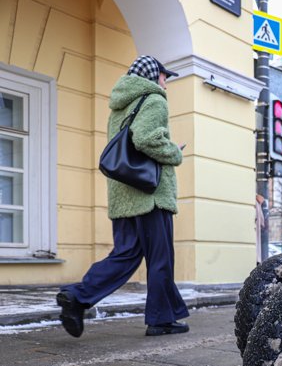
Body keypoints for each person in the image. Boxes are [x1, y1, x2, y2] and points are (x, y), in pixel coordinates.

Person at [57, 55, 189, 338]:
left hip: (123, 194)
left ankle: (77, 297)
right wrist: (174, 152)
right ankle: (161, 319)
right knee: (160, 259)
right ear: (153, 76)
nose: (166, 84)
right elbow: (146, 139)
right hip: (150, 195)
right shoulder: (154, 100)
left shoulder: (119, 105)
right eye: (165, 77)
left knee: (125, 255)